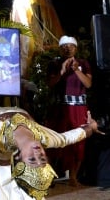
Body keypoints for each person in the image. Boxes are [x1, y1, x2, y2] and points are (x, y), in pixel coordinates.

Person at [46, 35, 93, 186]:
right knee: (57, 140)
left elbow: (88, 84)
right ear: (60, 48)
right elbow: (50, 84)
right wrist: (61, 71)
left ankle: (73, 176)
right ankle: (51, 174)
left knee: (79, 141)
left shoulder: (84, 63)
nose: (68, 48)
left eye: (71, 46)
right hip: (61, 108)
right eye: (64, 46)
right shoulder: (54, 63)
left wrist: (76, 70)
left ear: (75, 48)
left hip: (79, 108)